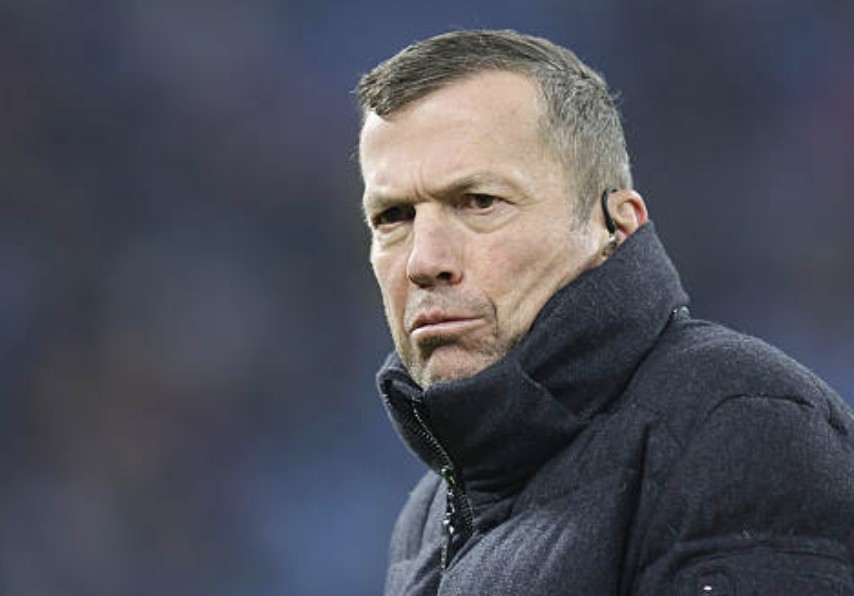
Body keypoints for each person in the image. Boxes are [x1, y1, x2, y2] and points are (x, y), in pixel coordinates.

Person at [355, 29, 854, 595]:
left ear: (615, 226)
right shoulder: (427, 513)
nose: (424, 261)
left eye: (480, 202)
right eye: (392, 217)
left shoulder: (741, 426)